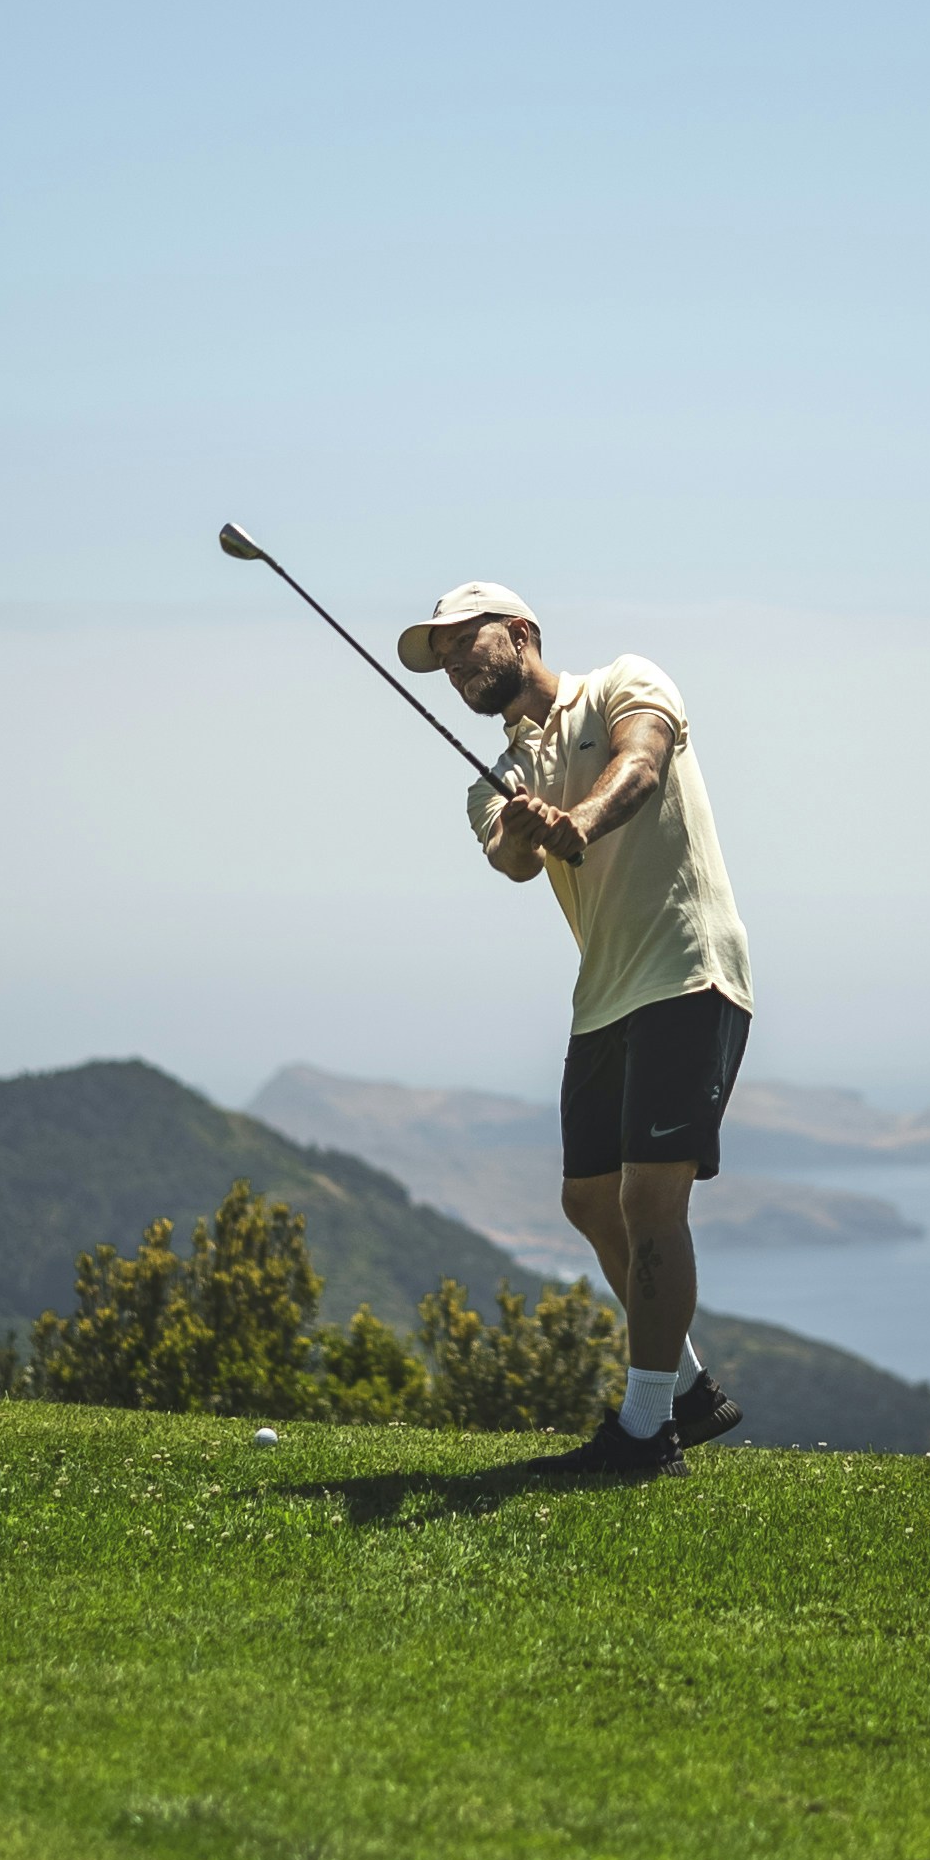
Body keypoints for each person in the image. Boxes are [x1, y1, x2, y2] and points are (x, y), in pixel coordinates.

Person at [397, 578, 754, 1479]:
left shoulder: (625, 681)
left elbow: (640, 765)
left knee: (648, 1201)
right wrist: (525, 828)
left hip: (687, 968)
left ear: (519, 632)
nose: (451, 667)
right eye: (438, 660)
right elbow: (514, 862)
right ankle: (689, 1392)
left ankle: (645, 1435)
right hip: (604, 995)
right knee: (588, 1198)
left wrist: (576, 821)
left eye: (461, 642)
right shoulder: (497, 777)